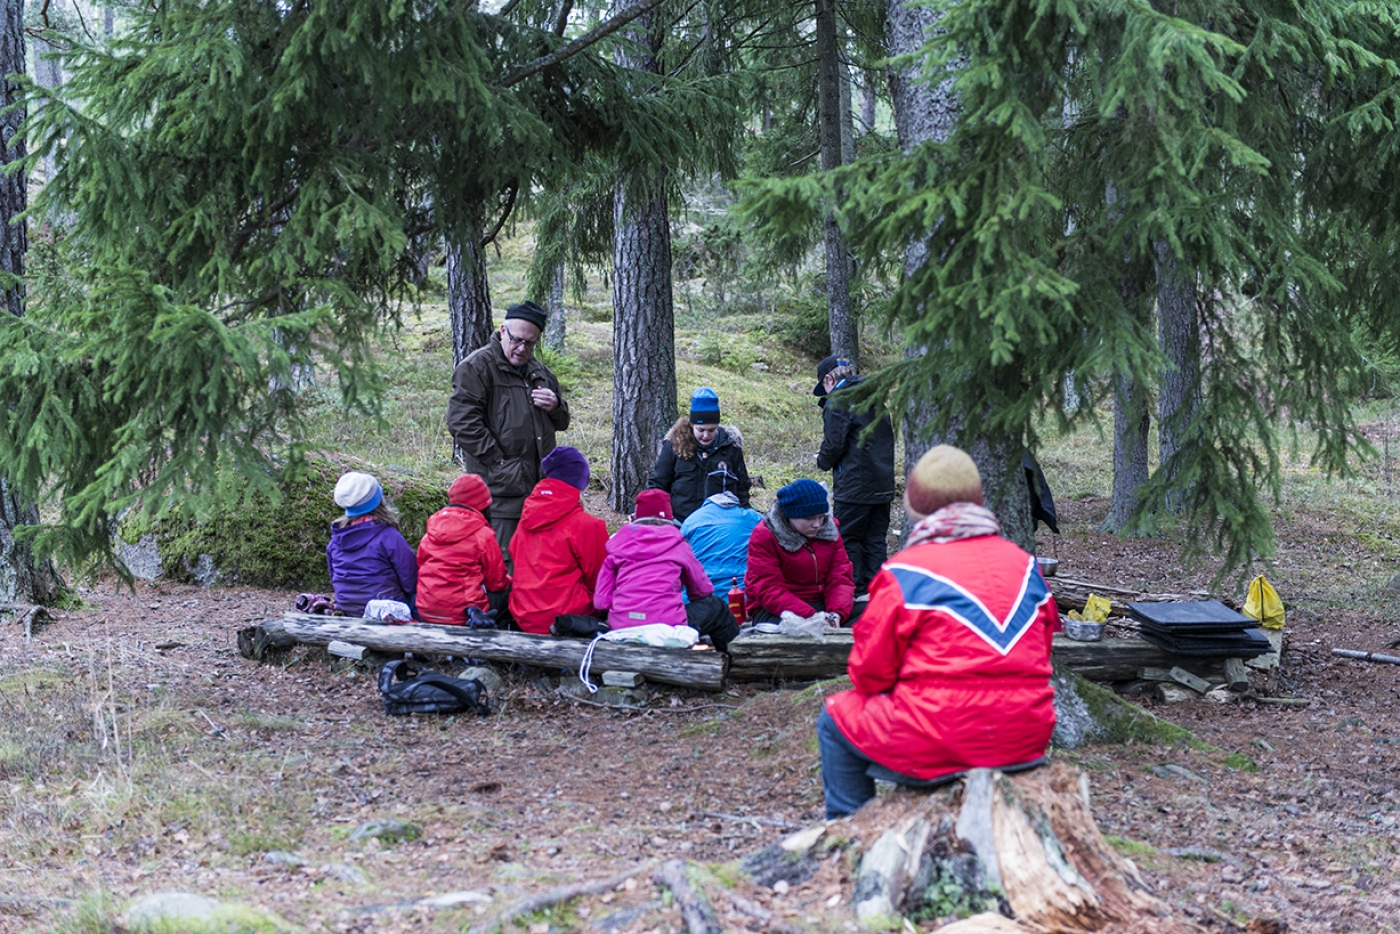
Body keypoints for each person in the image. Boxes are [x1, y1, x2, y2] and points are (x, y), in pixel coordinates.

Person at [816, 446, 1059, 819]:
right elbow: (1041, 651)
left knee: (834, 719)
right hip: (1026, 735)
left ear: (916, 506)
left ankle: (849, 831)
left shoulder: (904, 572)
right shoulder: (1026, 565)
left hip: (937, 738)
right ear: (978, 500)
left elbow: (867, 673)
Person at [447, 300, 570, 553]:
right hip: (500, 491)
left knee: (538, 558)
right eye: (517, 340)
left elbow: (562, 422)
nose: (522, 349)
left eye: (530, 343)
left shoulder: (540, 372)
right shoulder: (476, 368)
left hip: (540, 489)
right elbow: (461, 422)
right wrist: (499, 461)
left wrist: (556, 406)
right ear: (503, 331)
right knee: (505, 560)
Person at [594, 489, 740, 651]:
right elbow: (702, 591)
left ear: (636, 516)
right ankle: (736, 663)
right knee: (716, 606)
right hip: (668, 626)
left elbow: (601, 602)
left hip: (622, 626)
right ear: (669, 517)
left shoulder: (617, 548)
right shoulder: (678, 546)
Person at [814, 356, 896, 599]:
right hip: (882, 483)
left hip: (853, 486)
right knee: (875, 539)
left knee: (849, 538)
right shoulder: (874, 397)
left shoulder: (838, 401)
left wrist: (822, 460)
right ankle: (878, 594)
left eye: (824, 387)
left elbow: (834, 444)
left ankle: (856, 594)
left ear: (829, 379)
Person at [508, 446, 609, 635]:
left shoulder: (525, 519)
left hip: (523, 615)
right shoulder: (588, 525)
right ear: (580, 480)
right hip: (568, 618)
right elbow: (600, 579)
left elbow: (515, 554)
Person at [745, 478, 854, 626]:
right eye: (809, 519)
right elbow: (767, 588)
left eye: (821, 517)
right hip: (779, 610)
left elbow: (840, 577)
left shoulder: (830, 530)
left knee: (877, 617)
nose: (817, 524)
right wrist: (811, 617)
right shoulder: (765, 535)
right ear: (791, 516)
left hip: (825, 605)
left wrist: (837, 613)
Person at [415, 474, 512, 625]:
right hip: (465, 613)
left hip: (425, 609)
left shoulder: (430, 531)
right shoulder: (482, 534)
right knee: (511, 594)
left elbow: (421, 565)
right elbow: (497, 583)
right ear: (483, 504)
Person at [646, 387, 751, 523]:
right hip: (680, 522)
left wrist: (745, 516)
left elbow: (742, 487)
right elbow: (658, 484)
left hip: (719, 524)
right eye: (701, 430)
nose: (706, 436)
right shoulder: (674, 445)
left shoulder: (731, 447)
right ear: (692, 424)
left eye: (712, 430)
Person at [325, 472, 417, 618]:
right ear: (378, 500)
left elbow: (334, 577)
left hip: (348, 609)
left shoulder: (336, 539)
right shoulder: (389, 536)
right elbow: (411, 581)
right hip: (384, 611)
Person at [680, 468, 763, 596]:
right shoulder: (755, 519)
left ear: (707, 494)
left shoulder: (691, 521)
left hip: (699, 598)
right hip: (744, 597)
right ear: (735, 494)